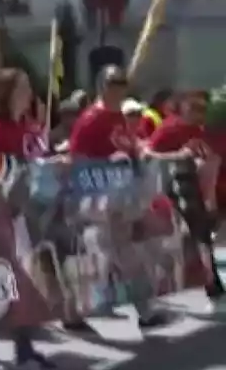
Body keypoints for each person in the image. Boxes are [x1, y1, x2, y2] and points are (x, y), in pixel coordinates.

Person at [67, 65, 172, 330]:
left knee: (123, 255)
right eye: (114, 83)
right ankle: (75, 313)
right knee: (108, 257)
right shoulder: (91, 119)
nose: (120, 88)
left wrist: (139, 150)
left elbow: (125, 145)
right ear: (102, 86)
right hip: (102, 200)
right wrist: (106, 162)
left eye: (123, 82)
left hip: (123, 197)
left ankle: (140, 310)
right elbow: (76, 160)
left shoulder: (118, 117)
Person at [0, 68, 54, 368]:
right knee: (8, 283)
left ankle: (25, 345)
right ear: (6, 92)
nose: (29, 92)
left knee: (26, 280)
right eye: (22, 87)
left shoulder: (28, 126)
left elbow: (40, 159)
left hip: (27, 213)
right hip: (4, 215)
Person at [147, 90, 226, 305]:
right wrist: (179, 155)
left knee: (201, 238)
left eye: (203, 109)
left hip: (197, 192)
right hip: (172, 192)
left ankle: (210, 282)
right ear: (182, 108)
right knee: (181, 240)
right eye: (194, 108)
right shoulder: (170, 129)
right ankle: (208, 282)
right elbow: (149, 155)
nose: (199, 113)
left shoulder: (205, 131)